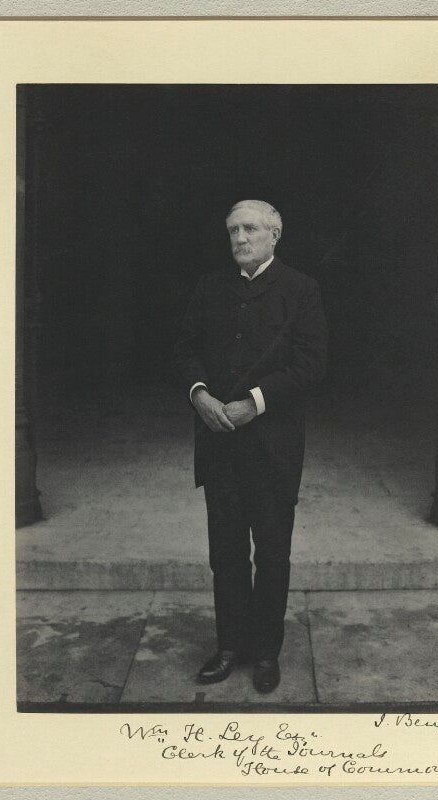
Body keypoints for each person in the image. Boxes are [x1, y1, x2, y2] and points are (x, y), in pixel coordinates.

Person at [173, 199, 328, 693]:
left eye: (251, 229)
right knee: (226, 554)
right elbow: (185, 348)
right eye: (233, 230)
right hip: (218, 443)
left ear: (274, 235)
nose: (240, 238)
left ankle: (265, 653)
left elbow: (311, 364)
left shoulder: (301, 290)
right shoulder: (210, 287)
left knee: (273, 555)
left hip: (273, 448)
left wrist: (254, 403)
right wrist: (199, 395)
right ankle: (229, 646)